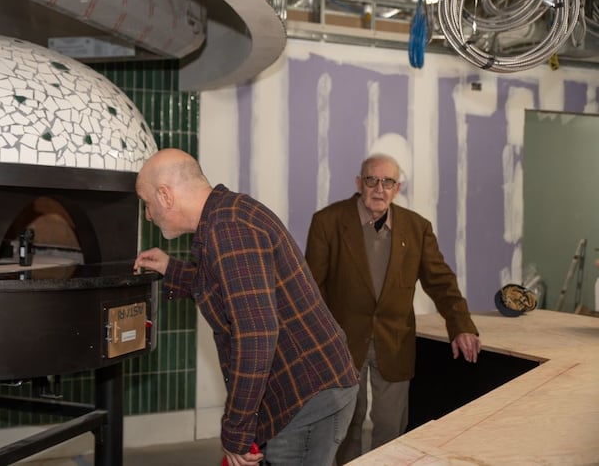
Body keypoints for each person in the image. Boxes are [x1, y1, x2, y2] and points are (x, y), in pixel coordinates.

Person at [133, 148, 360, 466]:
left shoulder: (228, 230)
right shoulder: (226, 215)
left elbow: (256, 334)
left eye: (147, 203)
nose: (148, 214)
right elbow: (230, 287)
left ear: (165, 195)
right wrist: (171, 268)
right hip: (309, 387)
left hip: (308, 395)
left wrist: (236, 432)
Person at [305, 153, 481, 464]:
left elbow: (441, 282)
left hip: (394, 341)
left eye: (388, 182)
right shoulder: (328, 222)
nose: (379, 188)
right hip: (342, 343)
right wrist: (319, 338)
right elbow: (312, 286)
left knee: (391, 426)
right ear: (360, 183)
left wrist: (461, 325)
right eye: (372, 180)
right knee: (347, 426)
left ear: (397, 188)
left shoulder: (416, 228)